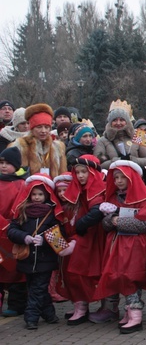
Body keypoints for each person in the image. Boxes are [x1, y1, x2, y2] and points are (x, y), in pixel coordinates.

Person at [92, 161, 146, 334]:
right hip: (115, 245)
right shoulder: (113, 197)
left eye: (123, 177)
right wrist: (109, 220)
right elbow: (105, 224)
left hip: (134, 245)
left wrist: (118, 222)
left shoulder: (144, 198)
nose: (119, 181)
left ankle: (136, 316)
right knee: (116, 276)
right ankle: (128, 312)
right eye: (116, 177)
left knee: (130, 277)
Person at [6, 174, 65, 330]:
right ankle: (50, 314)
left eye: (40, 194)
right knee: (37, 288)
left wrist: (44, 241)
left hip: (45, 259)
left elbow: (60, 235)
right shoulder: (22, 212)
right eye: (34, 194)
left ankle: (30, 317)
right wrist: (24, 237)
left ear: (46, 195)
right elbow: (11, 230)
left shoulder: (53, 214)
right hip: (26, 259)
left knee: (37, 289)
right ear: (29, 194)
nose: (37, 197)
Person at [58, 155, 107, 325]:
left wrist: (81, 225)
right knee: (69, 270)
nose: (80, 176)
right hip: (76, 234)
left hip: (89, 236)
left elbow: (96, 210)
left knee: (79, 271)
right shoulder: (75, 189)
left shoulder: (97, 189)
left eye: (84, 172)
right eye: (77, 172)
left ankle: (83, 306)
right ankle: (79, 303)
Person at [0, 146, 28, 318]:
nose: (3, 166)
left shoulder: (21, 184)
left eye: (8, 163)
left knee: (15, 271)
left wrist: (10, 223)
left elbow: (20, 207)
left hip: (11, 232)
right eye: (1, 163)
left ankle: (17, 304)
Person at [10, 103, 67, 177]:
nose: (43, 131)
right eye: (39, 127)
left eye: (46, 127)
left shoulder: (57, 147)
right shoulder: (19, 146)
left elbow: (62, 176)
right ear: (32, 128)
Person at [93, 100, 146, 170]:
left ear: (127, 121)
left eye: (121, 120)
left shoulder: (141, 135)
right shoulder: (102, 141)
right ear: (110, 122)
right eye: (114, 120)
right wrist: (118, 161)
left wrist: (131, 160)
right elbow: (98, 164)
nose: (118, 123)